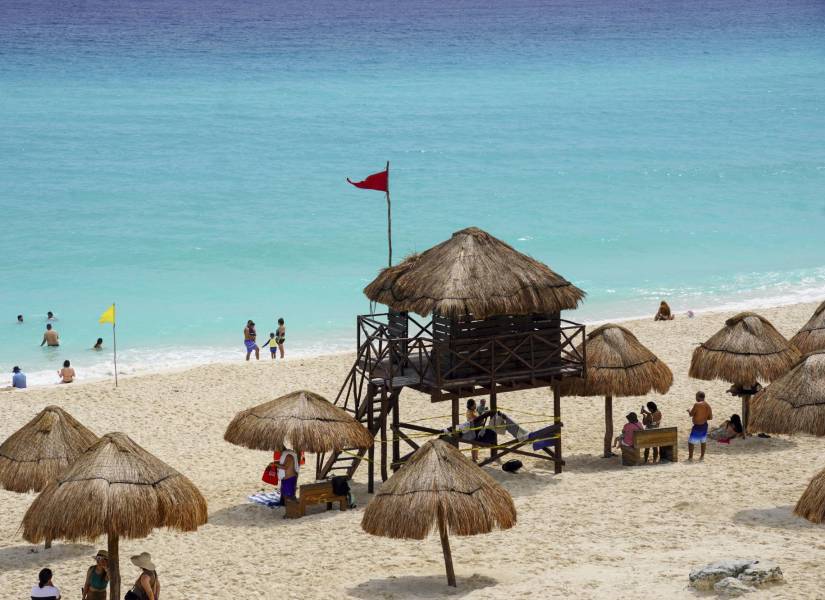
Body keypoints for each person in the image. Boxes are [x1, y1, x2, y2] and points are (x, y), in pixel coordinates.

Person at [688, 391, 713, 461]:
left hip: (697, 426)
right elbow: (710, 417)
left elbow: (691, 414)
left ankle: (690, 457)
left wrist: (689, 410)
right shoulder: (708, 405)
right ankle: (702, 456)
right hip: (704, 425)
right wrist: (703, 418)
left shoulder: (697, 404)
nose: (695, 398)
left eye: (696, 396)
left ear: (698, 397)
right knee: (703, 440)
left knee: (691, 442)